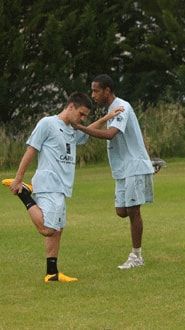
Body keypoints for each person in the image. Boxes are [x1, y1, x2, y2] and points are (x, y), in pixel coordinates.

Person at [2, 92, 109, 282]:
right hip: (48, 183)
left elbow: (88, 130)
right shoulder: (47, 124)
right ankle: (25, 194)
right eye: (81, 114)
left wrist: (107, 117)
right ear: (70, 107)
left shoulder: (72, 129)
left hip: (62, 187)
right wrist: (18, 179)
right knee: (48, 229)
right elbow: (31, 150)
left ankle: (52, 273)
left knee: (58, 229)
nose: (82, 119)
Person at [73, 74, 155, 270]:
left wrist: (81, 128)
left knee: (134, 211)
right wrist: (83, 128)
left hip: (133, 166)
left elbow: (111, 135)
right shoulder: (111, 110)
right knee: (121, 212)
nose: (93, 95)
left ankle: (136, 256)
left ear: (107, 91)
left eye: (96, 91)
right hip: (122, 169)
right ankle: (148, 169)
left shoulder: (122, 107)